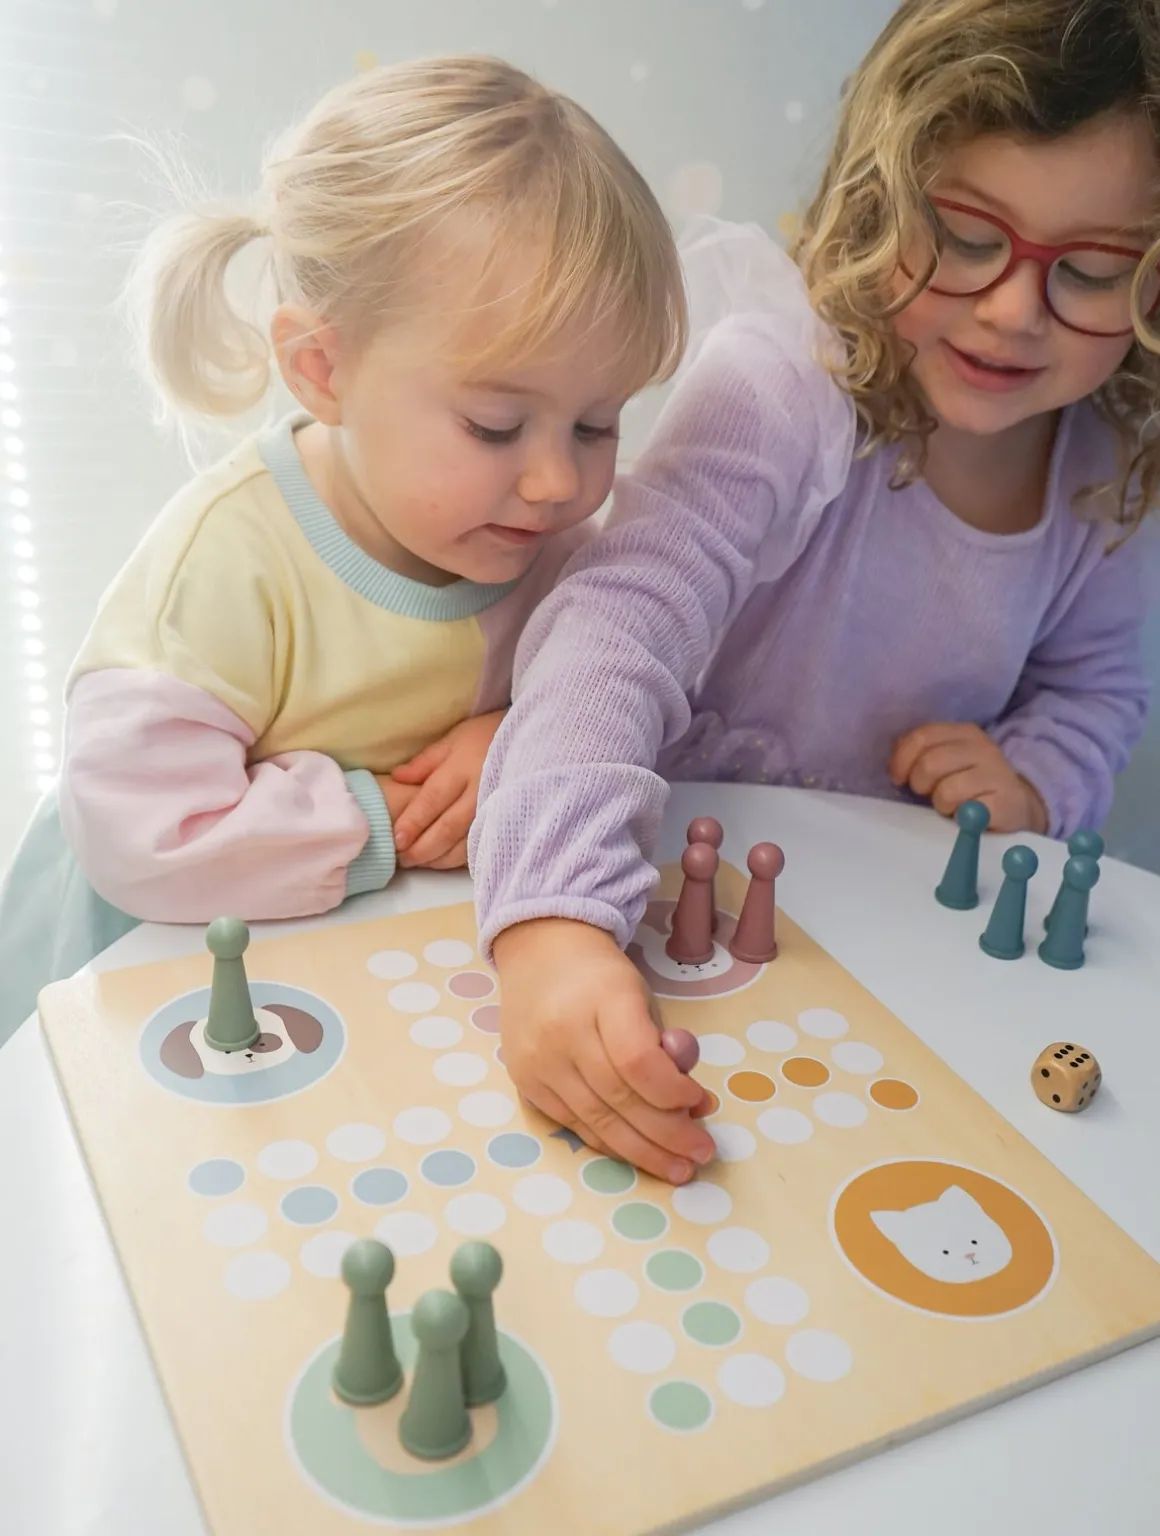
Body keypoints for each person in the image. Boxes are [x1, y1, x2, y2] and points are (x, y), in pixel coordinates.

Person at [470, 0, 1156, 1185]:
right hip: (650, 868)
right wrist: (550, 919)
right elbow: (618, 617)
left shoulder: (1109, 477)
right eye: (962, 236)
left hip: (878, 937)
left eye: (1091, 272)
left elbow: (1099, 691)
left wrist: (1033, 777)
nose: (1010, 309)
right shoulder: (785, 380)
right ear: (877, 199)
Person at [0, 55, 688, 1046]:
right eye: (495, 426)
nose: (555, 480)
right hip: (160, 970)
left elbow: (639, 684)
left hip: (364, 970)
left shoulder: (548, 540)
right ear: (322, 370)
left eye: (597, 424)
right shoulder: (227, 564)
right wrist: (380, 820)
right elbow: (136, 827)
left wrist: (523, 738)